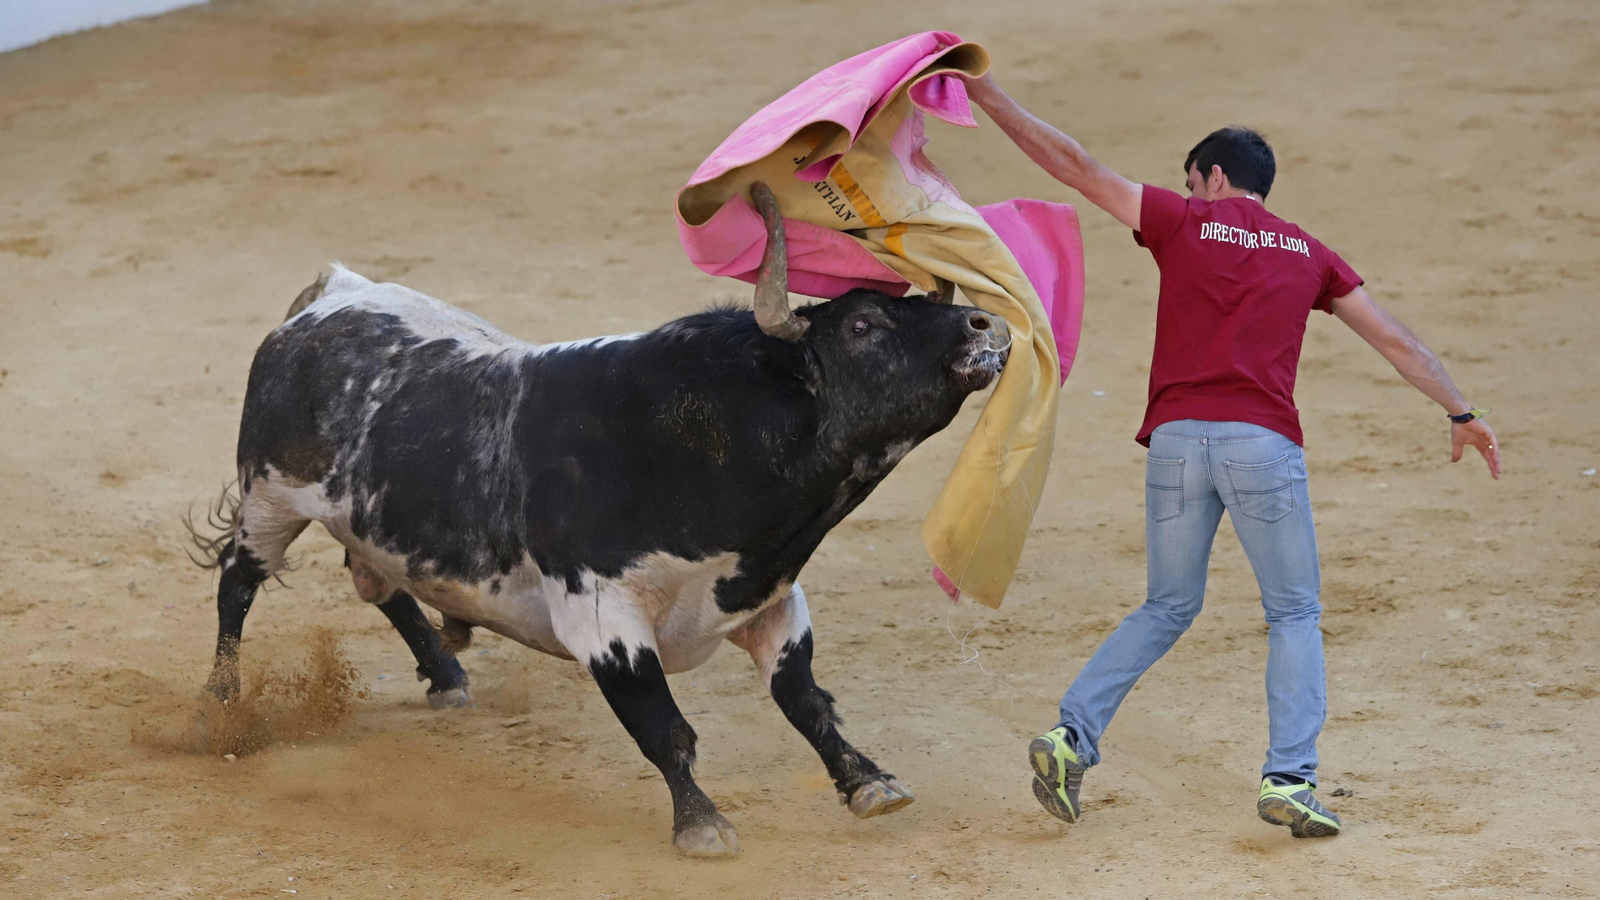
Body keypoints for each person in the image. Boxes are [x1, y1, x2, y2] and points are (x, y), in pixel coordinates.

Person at [963, 73, 1501, 838]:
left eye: (1194, 180)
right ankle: (1290, 777)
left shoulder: (1184, 221)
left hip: (1178, 442)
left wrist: (989, 97)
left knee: (1168, 604)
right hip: (1262, 445)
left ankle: (1071, 737)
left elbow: (1074, 164)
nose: (1192, 191)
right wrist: (1460, 410)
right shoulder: (1311, 253)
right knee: (1294, 611)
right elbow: (1395, 340)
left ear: (1214, 177)